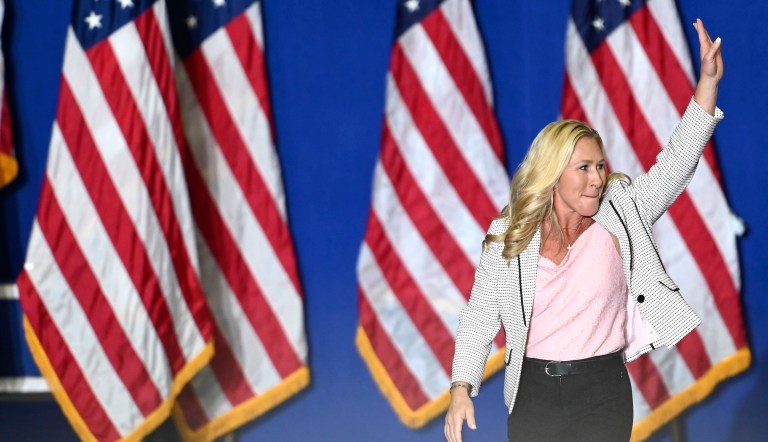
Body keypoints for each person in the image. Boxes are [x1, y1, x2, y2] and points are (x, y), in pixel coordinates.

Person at [444, 18, 724, 442]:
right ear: (554, 174)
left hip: (601, 391)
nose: (597, 177)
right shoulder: (510, 235)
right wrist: (461, 387)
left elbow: (677, 163)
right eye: (583, 168)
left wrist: (707, 83)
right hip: (532, 393)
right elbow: (480, 317)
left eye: (599, 166)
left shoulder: (622, 212)